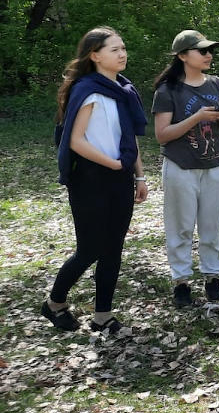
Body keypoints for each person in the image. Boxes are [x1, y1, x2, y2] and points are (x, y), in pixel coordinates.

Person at [43, 28, 148, 335]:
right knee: (90, 249)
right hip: (89, 178)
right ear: (95, 55)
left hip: (119, 176)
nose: (122, 53)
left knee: (113, 247)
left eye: (123, 48)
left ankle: (103, 315)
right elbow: (75, 141)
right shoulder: (88, 90)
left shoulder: (123, 90)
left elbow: (127, 138)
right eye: (114, 49)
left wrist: (138, 173)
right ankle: (54, 303)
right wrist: (115, 164)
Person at [152, 30, 219, 307]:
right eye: (202, 51)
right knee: (181, 227)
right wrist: (197, 117)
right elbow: (162, 134)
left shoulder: (218, 85)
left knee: (212, 225)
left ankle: (213, 279)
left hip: (215, 165)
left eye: (210, 50)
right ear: (183, 56)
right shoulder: (168, 90)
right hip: (180, 166)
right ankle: (181, 282)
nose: (208, 55)